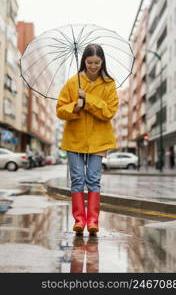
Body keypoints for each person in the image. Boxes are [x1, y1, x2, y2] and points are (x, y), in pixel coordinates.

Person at [56, 43, 119, 236]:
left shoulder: (109, 84)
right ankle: (78, 220)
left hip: (99, 140)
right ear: (84, 61)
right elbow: (60, 110)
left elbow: (109, 112)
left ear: (102, 62)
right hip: (74, 140)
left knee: (93, 180)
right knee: (77, 180)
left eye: (96, 62)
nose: (93, 66)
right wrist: (75, 106)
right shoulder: (72, 82)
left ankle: (92, 221)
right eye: (89, 62)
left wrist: (89, 99)